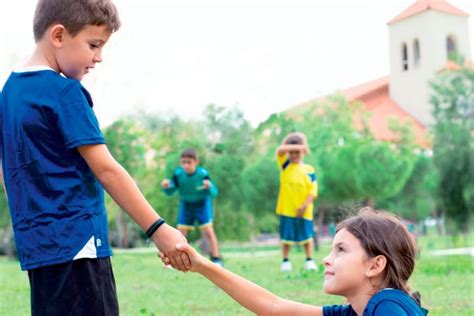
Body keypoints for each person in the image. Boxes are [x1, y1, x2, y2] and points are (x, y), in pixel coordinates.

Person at [0, 1, 190, 315]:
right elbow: (106, 169)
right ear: (58, 35)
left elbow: (8, 175)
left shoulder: (8, 94)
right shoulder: (64, 93)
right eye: (93, 45)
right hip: (79, 245)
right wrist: (158, 228)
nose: (98, 58)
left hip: (38, 248)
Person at [162, 208, 429, 316]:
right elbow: (273, 306)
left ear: (375, 265)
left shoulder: (388, 305)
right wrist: (202, 265)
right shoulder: (356, 311)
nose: (327, 259)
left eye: (341, 250)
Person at [161, 148, 223, 266]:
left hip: (202, 204)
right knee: (180, 234)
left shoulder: (203, 174)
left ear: (196, 162)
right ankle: (177, 261)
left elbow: (214, 193)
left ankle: (216, 259)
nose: (186, 165)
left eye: (189, 162)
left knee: (209, 231)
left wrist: (209, 187)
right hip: (186, 205)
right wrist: (166, 187)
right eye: (183, 162)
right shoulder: (178, 174)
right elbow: (170, 192)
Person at [275, 132, 318, 271]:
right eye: (291, 152)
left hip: (305, 210)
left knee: (307, 237)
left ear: (303, 152)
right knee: (286, 238)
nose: (294, 155)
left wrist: (304, 206)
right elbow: (279, 150)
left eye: (297, 152)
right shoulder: (285, 165)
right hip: (287, 209)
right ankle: (286, 261)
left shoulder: (309, 169)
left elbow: (313, 191)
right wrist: (297, 145)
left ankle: (309, 260)